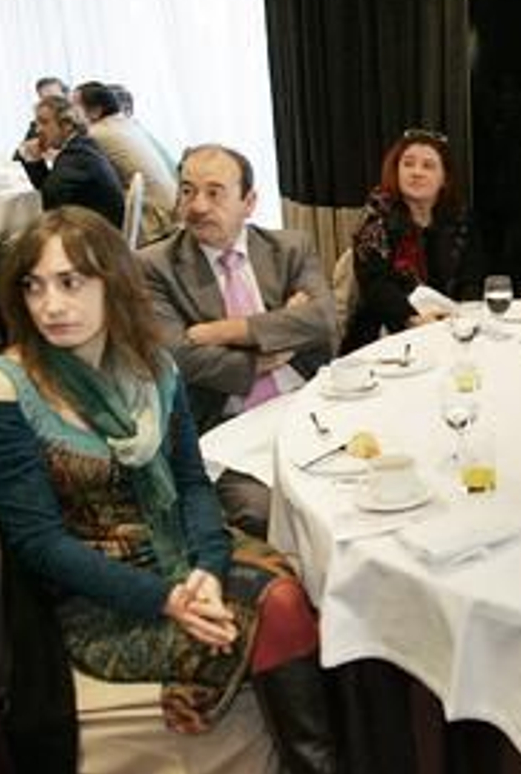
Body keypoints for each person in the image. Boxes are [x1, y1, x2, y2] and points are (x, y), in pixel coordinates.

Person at [0, 208, 366, 774]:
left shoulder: (152, 367)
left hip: (179, 555)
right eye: (34, 286)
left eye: (71, 282)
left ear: (112, 282)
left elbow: (191, 482)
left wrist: (205, 567)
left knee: (297, 591)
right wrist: (165, 597)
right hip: (93, 594)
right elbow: (38, 544)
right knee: (274, 611)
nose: (52, 305)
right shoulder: (2, 391)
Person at [139, 143, 335, 533]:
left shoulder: (290, 248)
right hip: (228, 422)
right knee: (266, 514)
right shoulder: (153, 266)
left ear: (249, 202)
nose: (196, 207)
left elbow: (325, 319)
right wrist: (271, 350)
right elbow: (178, 356)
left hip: (310, 406)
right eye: (188, 190)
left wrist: (223, 332)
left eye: (214, 192)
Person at [339, 128, 485, 354]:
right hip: (387, 331)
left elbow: (472, 275)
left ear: (444, 178)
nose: (416, 172)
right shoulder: (375, 217)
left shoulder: (459, 216)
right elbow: (376, 287)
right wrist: (412, 319)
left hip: (450, 324)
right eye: (408, 164)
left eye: (428, 166)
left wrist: (463, 313)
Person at [72, 81, 178, 242]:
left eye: (74, 106)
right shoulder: (124, 123)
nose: (69, 112)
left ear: (95, 111)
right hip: (171, 207)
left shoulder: (98, 134)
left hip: (154, 216)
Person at [19, 96, 126, 227]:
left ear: (67, 125)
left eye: (44, 122)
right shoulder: (81, 145)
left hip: (96, 236)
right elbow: (49, 190)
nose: (37, 130)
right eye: (37, 123)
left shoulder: (77, 156)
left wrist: (34, 160)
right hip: (98, 226)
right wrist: (35, 160)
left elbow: (51, 203)